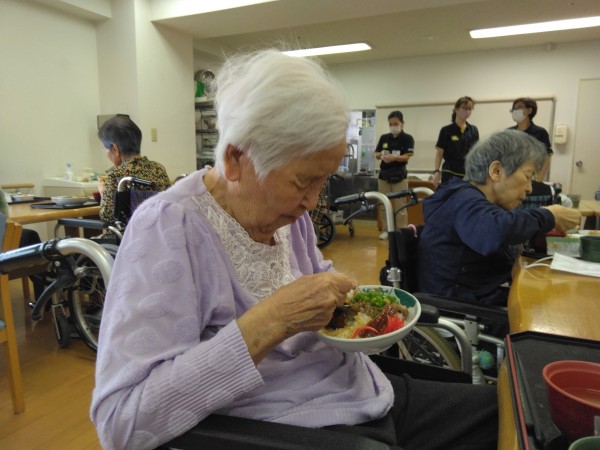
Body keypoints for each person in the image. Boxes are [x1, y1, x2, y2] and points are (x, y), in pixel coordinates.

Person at [91, 49, 498, 450]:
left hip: (360, 387)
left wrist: (345, 300)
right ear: (235, 158)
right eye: (303, 181)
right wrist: (272, 320)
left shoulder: (290, 215)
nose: (313, 202)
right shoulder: (168, 226)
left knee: (506, 411)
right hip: (289, 427)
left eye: (323, 181)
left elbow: (321, 289)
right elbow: (122, 422)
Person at [418, 130, 581, 306]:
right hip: (461, 308)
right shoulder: (464, 199)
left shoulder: (471, 199)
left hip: (477, 296)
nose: (530, 189)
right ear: (496, 171)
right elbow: (496, 230)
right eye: (527, 176)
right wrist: (550, 216)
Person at [97, 116, 171, 227]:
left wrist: (103, 193)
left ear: (115, 149)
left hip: (127, 236)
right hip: (156, 234)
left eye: (106, 149)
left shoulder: (116, 175)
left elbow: (107, 216)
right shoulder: (158, 169)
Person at [374, 110, 414, 240]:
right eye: (390, 124)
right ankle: (386, 230)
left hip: (399, 176)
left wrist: (395, 157)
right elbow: (376, 153)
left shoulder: (407, 138)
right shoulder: (384, 138)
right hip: (384, 176)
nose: (393, 126)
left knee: (400, 206)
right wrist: (381, 155)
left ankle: (401, 232)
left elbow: (407, 156)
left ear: (402, 123)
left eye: (395, 123)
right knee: (383, 204)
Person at [432, 96, 479, 188]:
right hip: (450, 172)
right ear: (456, 110)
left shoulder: (473, 130)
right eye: (464, 108)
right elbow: (439, 153)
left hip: (467, 173)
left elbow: (476, 153)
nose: (467, 111)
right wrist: (437, 171)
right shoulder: (446, 130)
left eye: (470, 109)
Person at [508, 97, 553, 181]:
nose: (515, 110)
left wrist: (538, 180)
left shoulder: (540, 132)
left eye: (519, 107)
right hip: (511, 176)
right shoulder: (508, 132)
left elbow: (546, 158)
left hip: (531, 176)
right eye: (513, 108)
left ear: (529, 110)